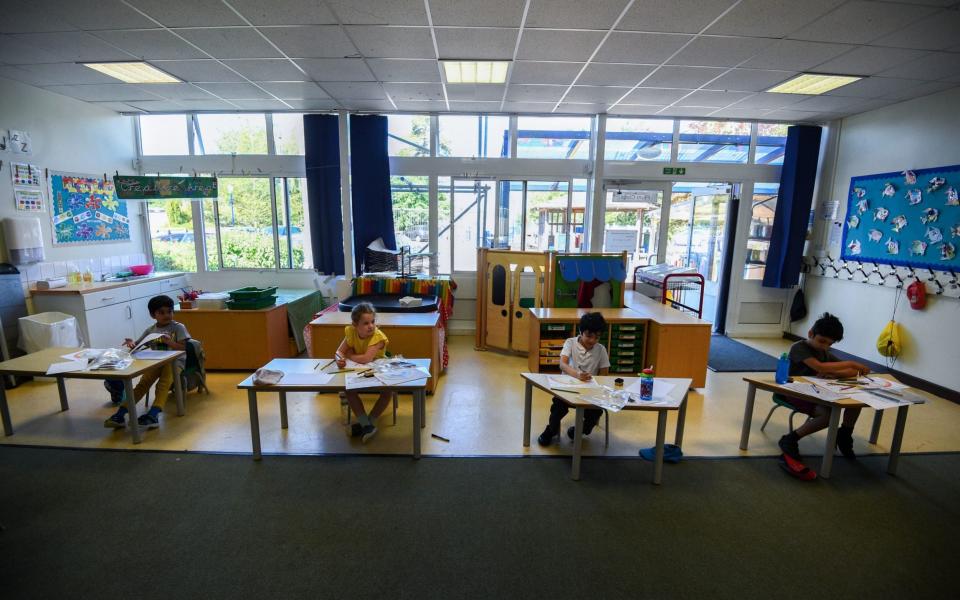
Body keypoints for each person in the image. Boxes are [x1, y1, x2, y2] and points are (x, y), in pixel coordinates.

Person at [778, 312, 870, 460]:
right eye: (822, 341)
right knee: (828, 416)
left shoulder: (824, 352)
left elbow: (853, 372)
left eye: (830, 344)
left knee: (856, 401)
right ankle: (790, 439)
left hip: (818, 392)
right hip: (796, 392)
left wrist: (836, 374)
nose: (825, 346)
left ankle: (844, 434)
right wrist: (851, 363)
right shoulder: (799, 347)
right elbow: (821, 367)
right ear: (810, 334)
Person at [103, 295, 190, 430]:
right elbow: (138, 345)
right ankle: (120, 414)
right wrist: (131, 343)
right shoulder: (151, 330)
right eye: (161, 312)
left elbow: (184, 348)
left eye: (170, 311)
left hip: (174, 362)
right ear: (152, 315)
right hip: (156, 362)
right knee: (143, 383)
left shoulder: (178, 328)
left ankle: (154, 414)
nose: (167, 315)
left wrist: (169, 342)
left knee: (163, 383)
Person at [538, 312, 610, 446]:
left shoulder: (601, 350)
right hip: (567, 388)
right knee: (557, 408)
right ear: (580, 332)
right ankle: (551, 430)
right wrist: (577, 374)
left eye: (597, 337)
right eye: (589, 336)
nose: (592, 340)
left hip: (589, 392)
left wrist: (596, 385)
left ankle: (580, 430)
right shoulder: (570, 343)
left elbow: (604, 376)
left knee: (595, 412)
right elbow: (562, 364)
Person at [336, 302, 391, 443]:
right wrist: (339, 359)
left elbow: (367, 358)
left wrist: (349, 355)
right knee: (349, 390)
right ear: (355, 324)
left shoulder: (378, 336)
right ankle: (366, 425)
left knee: (387, 392)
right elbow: (338, 351)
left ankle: (368, 423)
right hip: (358, 370)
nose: (371, 326)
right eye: (366, 323)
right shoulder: (351, 332)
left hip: (379, 369)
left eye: (373, 322)